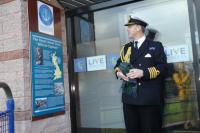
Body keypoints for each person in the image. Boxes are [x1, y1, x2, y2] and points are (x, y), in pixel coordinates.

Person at [114, 16, 167, 133]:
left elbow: (162, 67)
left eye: (130, 27)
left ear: (138, 28)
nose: (127, 29)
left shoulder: (155, 46)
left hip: (148, 99)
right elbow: (118, 64)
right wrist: (119, 73)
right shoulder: (126, 48)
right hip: (129, 97)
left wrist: (143, 72)